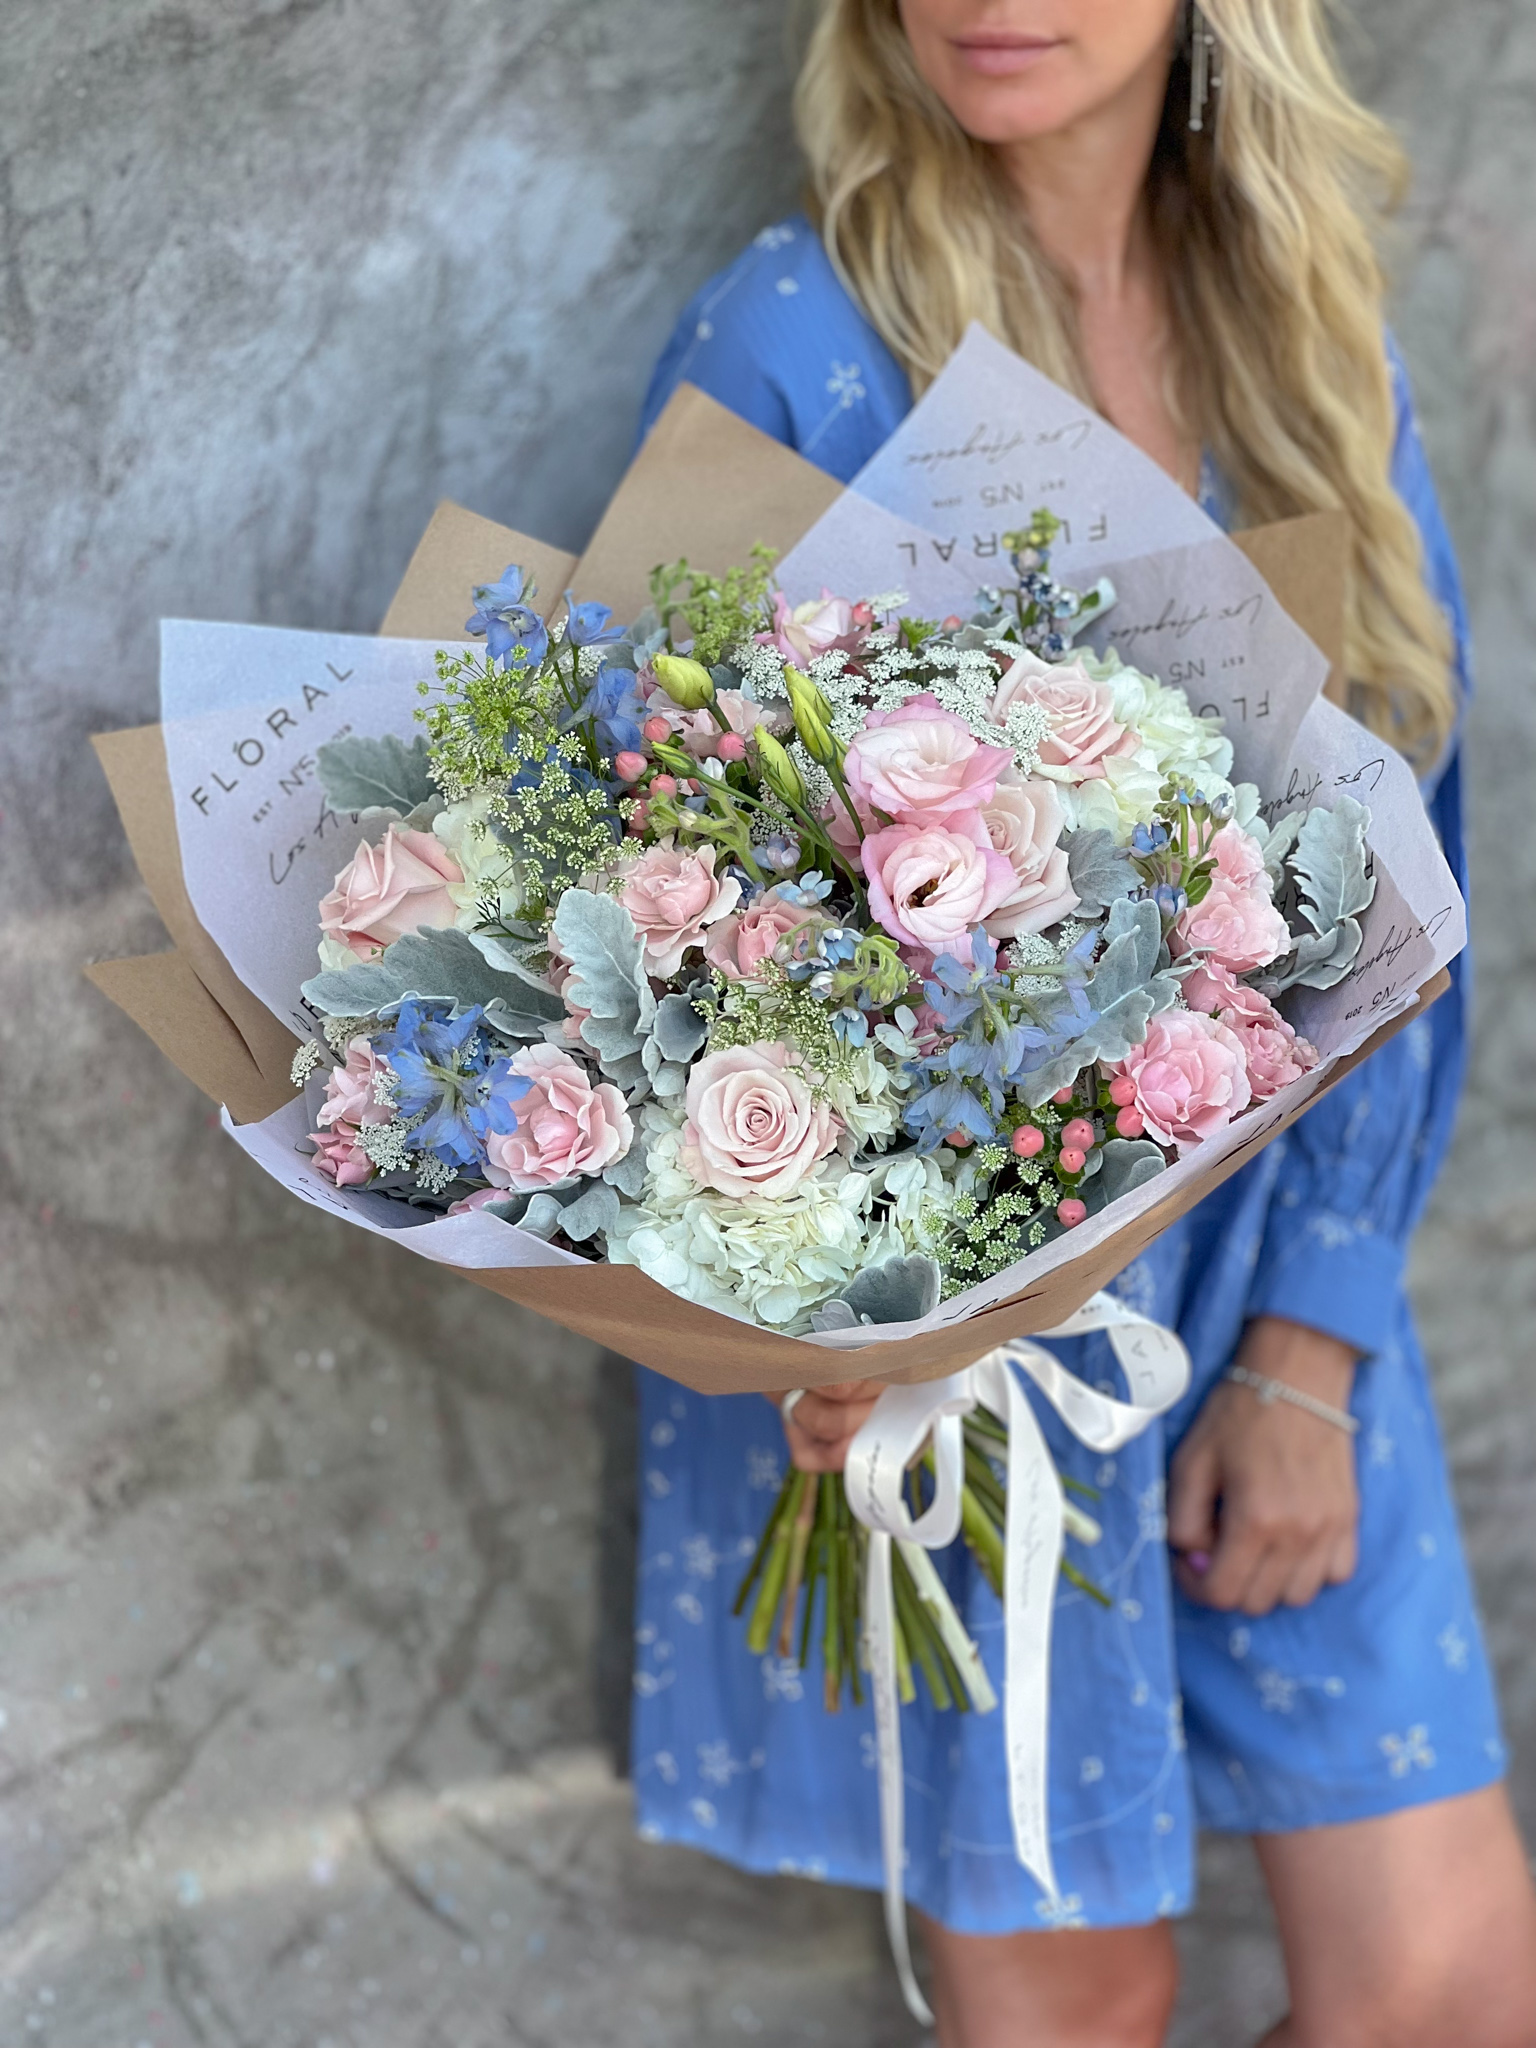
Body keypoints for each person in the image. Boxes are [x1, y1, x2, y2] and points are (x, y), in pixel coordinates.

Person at [627, 5, 1536, 2043]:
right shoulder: (799, 334)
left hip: (1271, 1250)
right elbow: (642, 893)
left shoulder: (1305, 336)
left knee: (1456, 1988)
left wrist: (1312, 1340)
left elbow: (1419, 856)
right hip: (965, 1344)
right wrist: (837, 1327)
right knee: (1086, 2005)